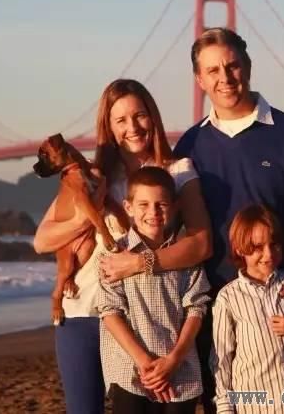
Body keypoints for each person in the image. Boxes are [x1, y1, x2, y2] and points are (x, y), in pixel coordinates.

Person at [172, 27, 284, 412]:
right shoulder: (189, 146)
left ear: (247, 66)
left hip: (283, 302)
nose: (225, 77)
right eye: (212, 70)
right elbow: (165, 226)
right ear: (199, 80)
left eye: (232, 66)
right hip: (219, 308)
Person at [33, 78, 213, 414]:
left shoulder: (178, 171)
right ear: (109, 128)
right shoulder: (94, 176)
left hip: (147, 319)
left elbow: (202, 244)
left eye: (140, 115)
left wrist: (139, 263)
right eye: (121, 120)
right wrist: (90, 214)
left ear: (153, 117)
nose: (133, 127)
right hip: (84, 311)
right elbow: (42, 241)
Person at [97, 166, 211, 414]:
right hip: (131, 370)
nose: (153, 212)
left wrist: (173, 360)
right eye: (144, 204)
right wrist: (145, 363)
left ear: (175, 206)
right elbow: (109, 312)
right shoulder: (115, 255)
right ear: (128, 207)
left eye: (161, 204)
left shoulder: (185, 255)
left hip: (180, 370)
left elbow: (196, 308)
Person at [211, 204, 284, 413]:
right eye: (258, 247)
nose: (268, 254)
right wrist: (225, 408)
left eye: (274, 245)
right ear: (239, 249)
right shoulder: (228, 298)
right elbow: (221, 360)